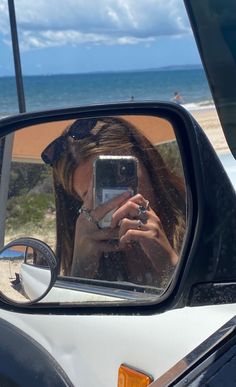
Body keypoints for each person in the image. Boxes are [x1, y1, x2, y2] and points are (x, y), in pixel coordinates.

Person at [41, 117, 186, 288]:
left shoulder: (197, 221)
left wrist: (169, 262)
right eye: (94, 195)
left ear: (148, 164)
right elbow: (76, 311)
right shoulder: (95, 250)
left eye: (122, 181)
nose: (115, 200)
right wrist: (81, 266)